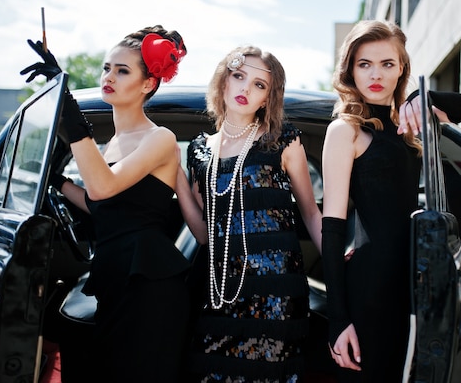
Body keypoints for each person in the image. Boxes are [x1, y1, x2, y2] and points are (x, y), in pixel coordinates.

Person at [21, 25, 191, 382]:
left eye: (122, 70)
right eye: (107, 68)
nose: (109, 76)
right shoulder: (112, 144)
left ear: (148, 84)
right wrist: (57, 181)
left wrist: (66, 102)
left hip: (149, 286)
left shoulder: (160, 138)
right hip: (116, 278)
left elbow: (102, 187)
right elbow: (101, 204)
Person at [320, 19, 461, 382]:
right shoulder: (345, 129)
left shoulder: (407, 123)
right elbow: (333, 227)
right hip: (369, 288)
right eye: (365, 64)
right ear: (351, 71)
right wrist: (338, 320)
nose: (375, 74)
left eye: (387, 64)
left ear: (402, 69)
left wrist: (426, 96)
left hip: (411, 284)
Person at [175, 46, 322, 382]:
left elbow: (312, 214)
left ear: (268, 97)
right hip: (222, 290)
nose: (244, 89)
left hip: (277, 293)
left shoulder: (282, 141)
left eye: (259, 85)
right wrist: (177, 178)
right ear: (223, 80)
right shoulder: (199, 151)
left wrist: (342, 279)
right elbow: (203, 234)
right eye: (239, 76)